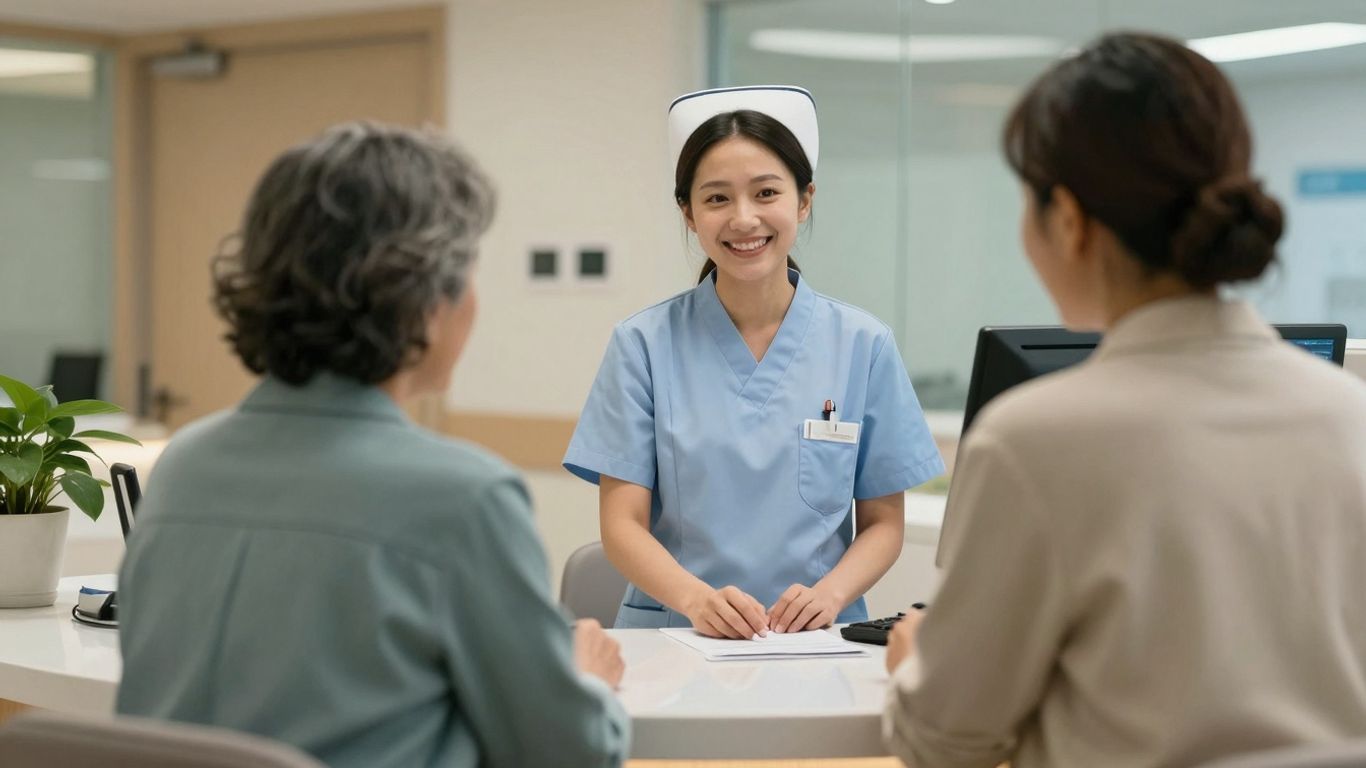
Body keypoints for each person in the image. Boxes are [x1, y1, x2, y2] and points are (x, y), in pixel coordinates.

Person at [883, 32, 1366, 768]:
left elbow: (945, 743)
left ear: (1068, 220)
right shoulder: (1350, 416)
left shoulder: (1035, 442)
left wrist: (914, 668)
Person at [116, 123, 630, 768]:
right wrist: (585, 681)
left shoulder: (182, 466)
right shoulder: (464, 497)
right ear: (426, 300)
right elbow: (564, 753)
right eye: (469, 272)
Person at [564, 86, 945, 638]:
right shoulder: (642, 345)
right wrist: (696, 601)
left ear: (804, 200)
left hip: (814, 640)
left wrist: (830, 595)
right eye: (717, 198)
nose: (744, 219)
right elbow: (622, 525)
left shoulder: (864, 345)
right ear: (688, 213)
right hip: (675, 636)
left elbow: (884, 523)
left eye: (766, 192)